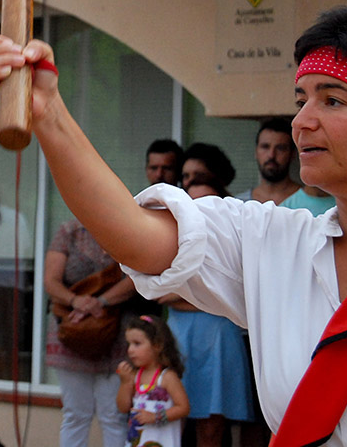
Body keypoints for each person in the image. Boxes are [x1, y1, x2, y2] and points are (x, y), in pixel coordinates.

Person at [0, 5, 347, 445]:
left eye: (333, 100)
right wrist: (49, 114)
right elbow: (136, 236)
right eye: (301, 99)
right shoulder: (274, 240)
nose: (302, 120)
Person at [166, 152, 254, 447]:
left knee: (212, 428)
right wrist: (215, 297)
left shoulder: (237, 242)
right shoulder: (168, 238)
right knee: (168, 420)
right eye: (194, 206)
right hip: (178, 337)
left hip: (220, 339)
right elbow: (160, 292)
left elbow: (242, 292)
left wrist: (184, 293)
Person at [44, 219, 136, 447]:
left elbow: (137, 278)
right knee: (76, 414)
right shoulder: (69, 230)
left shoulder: (128, 228)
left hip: (115, 332)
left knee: (114, 415)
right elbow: (50, 281)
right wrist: (77, 301)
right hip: (71, 330)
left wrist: (101, 302)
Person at [116, 315, 188, 447]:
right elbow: (123, 407)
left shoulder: (167, 377)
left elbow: (183, 407)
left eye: (137, 344)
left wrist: (156, 417)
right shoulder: (134, 375)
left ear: (157, 345)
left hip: (162, 440)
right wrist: (125, 383)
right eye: (129, 344)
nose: (130, 350)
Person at [241, 118, 300, 204]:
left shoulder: (307, 203)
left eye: (280, 148)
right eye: (265, 147)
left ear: (292, 154)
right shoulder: (240, 205)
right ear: (256, 152)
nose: (271, 155)